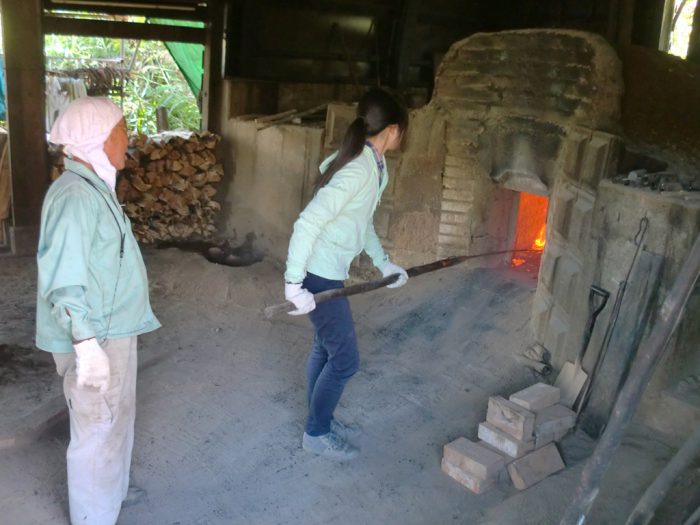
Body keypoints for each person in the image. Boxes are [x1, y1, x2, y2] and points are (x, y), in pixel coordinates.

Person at [36, 97, 160, 524]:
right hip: (94, 336)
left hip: (113, 328)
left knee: (117, 418)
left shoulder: (93, 187)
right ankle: (93, 516)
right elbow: (63, 280)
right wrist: (86, 347)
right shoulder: (74, 197)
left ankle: (111, 494)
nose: (129, 138)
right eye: (121, 130)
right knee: (96, 426)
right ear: (96, 138)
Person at [284, 88, 409, 461]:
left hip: (327, 270)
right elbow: (307, 223)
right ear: (392, 129)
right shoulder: (358, 169)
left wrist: (383, 262)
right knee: (345, 360)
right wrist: (294, 282)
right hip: (317, 273)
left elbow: (361, 220)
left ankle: (318, 418)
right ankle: (316, 432)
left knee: (326, 347)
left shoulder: (373, 165)